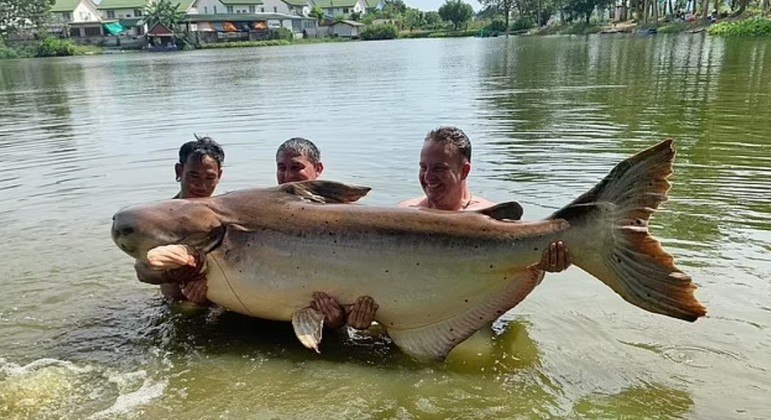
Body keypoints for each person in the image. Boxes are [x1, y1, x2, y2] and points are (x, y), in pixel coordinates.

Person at [398, 126, 571, 272]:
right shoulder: (404, 214)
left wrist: (542, 266)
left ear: (464, 171)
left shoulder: (493, 221)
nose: (428, 176)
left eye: (439, 168)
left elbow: (520, 274)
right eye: (423, 167)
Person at [275, 137, 377, 330]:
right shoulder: (266, 210)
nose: (287, 175)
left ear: (318, 169)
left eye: (296, 167)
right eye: (281, 168)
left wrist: (341, 319)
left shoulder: (344, 215)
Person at [133, 136, 225, 304]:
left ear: (219, 176)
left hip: (218, 299)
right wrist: (178, 273)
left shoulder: (224, 217)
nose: (201, 186)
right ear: (179, 171)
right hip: (176, 304)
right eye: (194, 176)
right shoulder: (162, 218)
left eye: (209, 178)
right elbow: (142, 270)